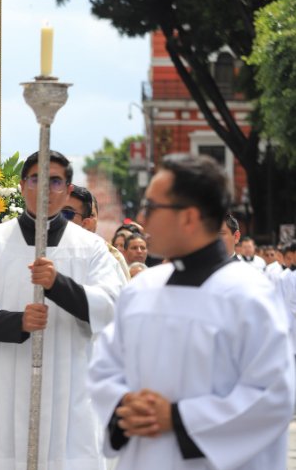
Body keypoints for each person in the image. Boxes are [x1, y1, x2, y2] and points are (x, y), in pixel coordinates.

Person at [88, 153, 295, 469]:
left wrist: (178, 418)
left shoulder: (249, 295)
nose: (142, 218)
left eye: (152, 207)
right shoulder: (141, 290)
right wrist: (123, 407)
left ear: (188, 217)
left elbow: (272, 395)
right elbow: (105, 367)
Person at [0, 150, 125, 468]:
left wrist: (58, 285)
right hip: (4, 379)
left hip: (69, 382)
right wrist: (17, 321)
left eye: (55, 181)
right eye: (36, 179)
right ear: (21, 186)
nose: (45, 188)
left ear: (69, 190)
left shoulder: (91, 248)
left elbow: (113, 305)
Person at [63, 185, 131, 280]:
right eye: (57, 213)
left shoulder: (110, 255)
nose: (59, 218)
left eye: (67, 213)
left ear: (86, 221)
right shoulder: (42, 248)